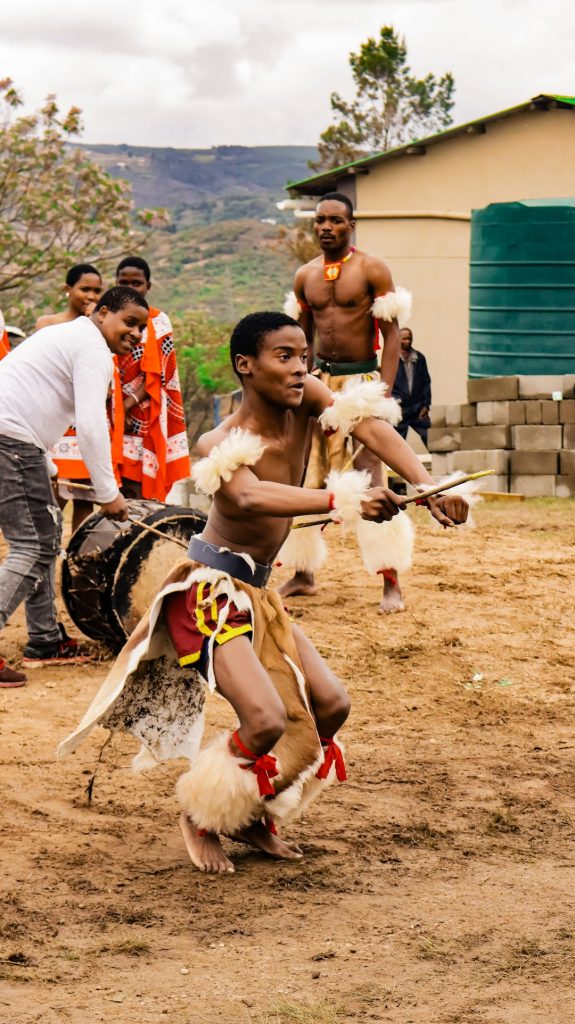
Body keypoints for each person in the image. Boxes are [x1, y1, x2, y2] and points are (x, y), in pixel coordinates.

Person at [59, 311, 468, 873]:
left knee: (331, 704)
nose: (300, 368)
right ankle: (202, 816)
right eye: (284, 357)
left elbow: (372, 428)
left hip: (258, 595)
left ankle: (252, 811)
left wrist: (426, 484)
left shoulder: (308, 399)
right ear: (245, 367)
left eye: (304, 356)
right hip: (207, 595)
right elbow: (250, 498)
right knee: (266, 718)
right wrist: (342, 500)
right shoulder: (221, 440)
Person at [0, 286, 148, 687]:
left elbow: (30, 395)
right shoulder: (93, 350)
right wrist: (107, 492)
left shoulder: (68, 334)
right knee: (32, 543)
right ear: (102, 314)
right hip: (11, 440)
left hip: (15, 439)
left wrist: (45, 462)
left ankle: (45, 640)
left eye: (141, 328)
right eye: (129, 322)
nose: (135, 334)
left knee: (43, 539)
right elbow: (90, 424)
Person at [281, 192, 413, 613]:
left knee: (370, 476)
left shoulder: (372, 268)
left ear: (350, 225)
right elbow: (299, 339)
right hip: (319, 383)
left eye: (335, 220)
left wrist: (384, 389)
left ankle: (390, 579)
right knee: (307, 477)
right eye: (320, 220)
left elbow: (392, 334)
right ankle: (303, 573)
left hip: (362, 381)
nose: (325, 227)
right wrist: (295, 383)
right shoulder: (305, 276)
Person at [35, 264, 110, 533]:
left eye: (97, 291)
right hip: (57, 423)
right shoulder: (48, 323)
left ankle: (75, 555)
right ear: (68, 290)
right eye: (84, 289)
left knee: (85, 499)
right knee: (54, 491)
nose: (91, 296)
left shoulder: (103, 328)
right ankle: (46, 544)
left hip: (86, 418)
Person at [114, 257, 190, 500]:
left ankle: (140, 535)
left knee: (138, 486)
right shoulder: (106, 318)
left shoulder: (159, 321)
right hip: (108, 412)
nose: (129, 288)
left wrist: (125, 407)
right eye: (123, 282)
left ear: (148, 286)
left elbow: (162, 374)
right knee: (113, 484)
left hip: (145, 414)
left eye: (136, 283)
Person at [392, 327, 432, 447]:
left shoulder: (419, 358)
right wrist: (393, 403)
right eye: (405, 339)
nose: (408, 341)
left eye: (410, 338)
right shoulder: (392, 358)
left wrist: (426, 405)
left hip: (417, 409)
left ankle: (441, 463)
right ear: (398, 339)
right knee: (397, 444)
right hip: (400, 409)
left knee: (431, 438)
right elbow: (387, 384)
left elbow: (426, 382)